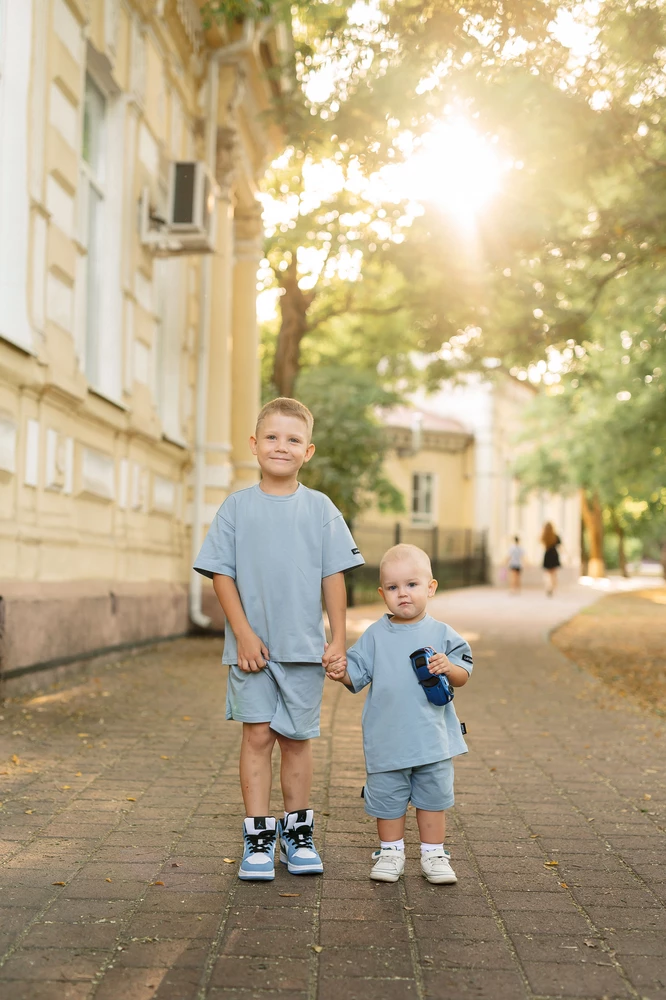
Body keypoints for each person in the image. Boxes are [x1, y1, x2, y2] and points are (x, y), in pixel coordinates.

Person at [193, 397, 364, 881]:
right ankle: (258, 837)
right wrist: (243, 634)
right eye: (271, 437)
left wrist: (338, 639)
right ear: (254, 444)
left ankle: (298, 833)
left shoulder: (321, 509)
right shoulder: (236, 508)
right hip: (252, 653)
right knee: (257, 736)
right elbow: (220, 576)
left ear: (307, 451)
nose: (281, 447)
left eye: (292, 440)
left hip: (305, 652)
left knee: (296, 741)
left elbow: (334, 576)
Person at [326, 543, 472, 885]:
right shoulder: (375, 635)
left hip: (433, 740)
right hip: (387, 739)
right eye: (393, 588)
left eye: (411, 585)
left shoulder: (442, 634)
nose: (402, 594)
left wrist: (449, 667)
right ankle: (391, 851)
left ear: (430, 588)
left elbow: (464, 675)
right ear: (382, 593)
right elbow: (356, 675)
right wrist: (339, 671)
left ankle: (434, 854)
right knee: (387, 799)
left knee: (433, 798)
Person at [542, 522, 561, 597]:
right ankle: (553, 588)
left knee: (547, 574)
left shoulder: (544, 536)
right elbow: (560, 547)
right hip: (554, 555)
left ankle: (548, 587)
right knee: (554, 574)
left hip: (547, 555)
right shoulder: (555, 536)